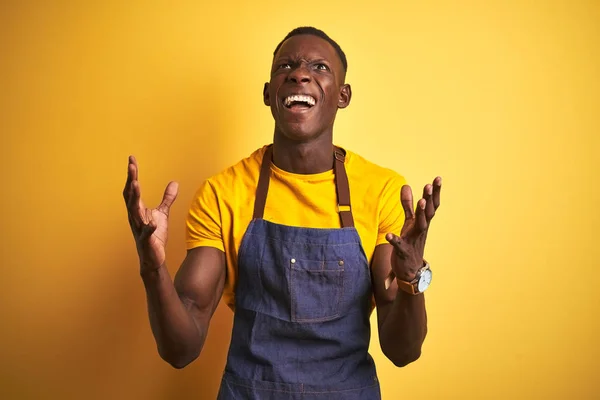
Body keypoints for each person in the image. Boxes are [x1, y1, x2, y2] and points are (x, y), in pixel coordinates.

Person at [123, 26, 442, 400]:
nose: (299, 73)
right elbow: (181, 350)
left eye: (319, 67)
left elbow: (402, 351)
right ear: (268, 93)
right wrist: (151, 268)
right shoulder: (223, 193)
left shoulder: (382, 190)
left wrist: (411, 280)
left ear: (343, 95)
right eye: (286, 66)